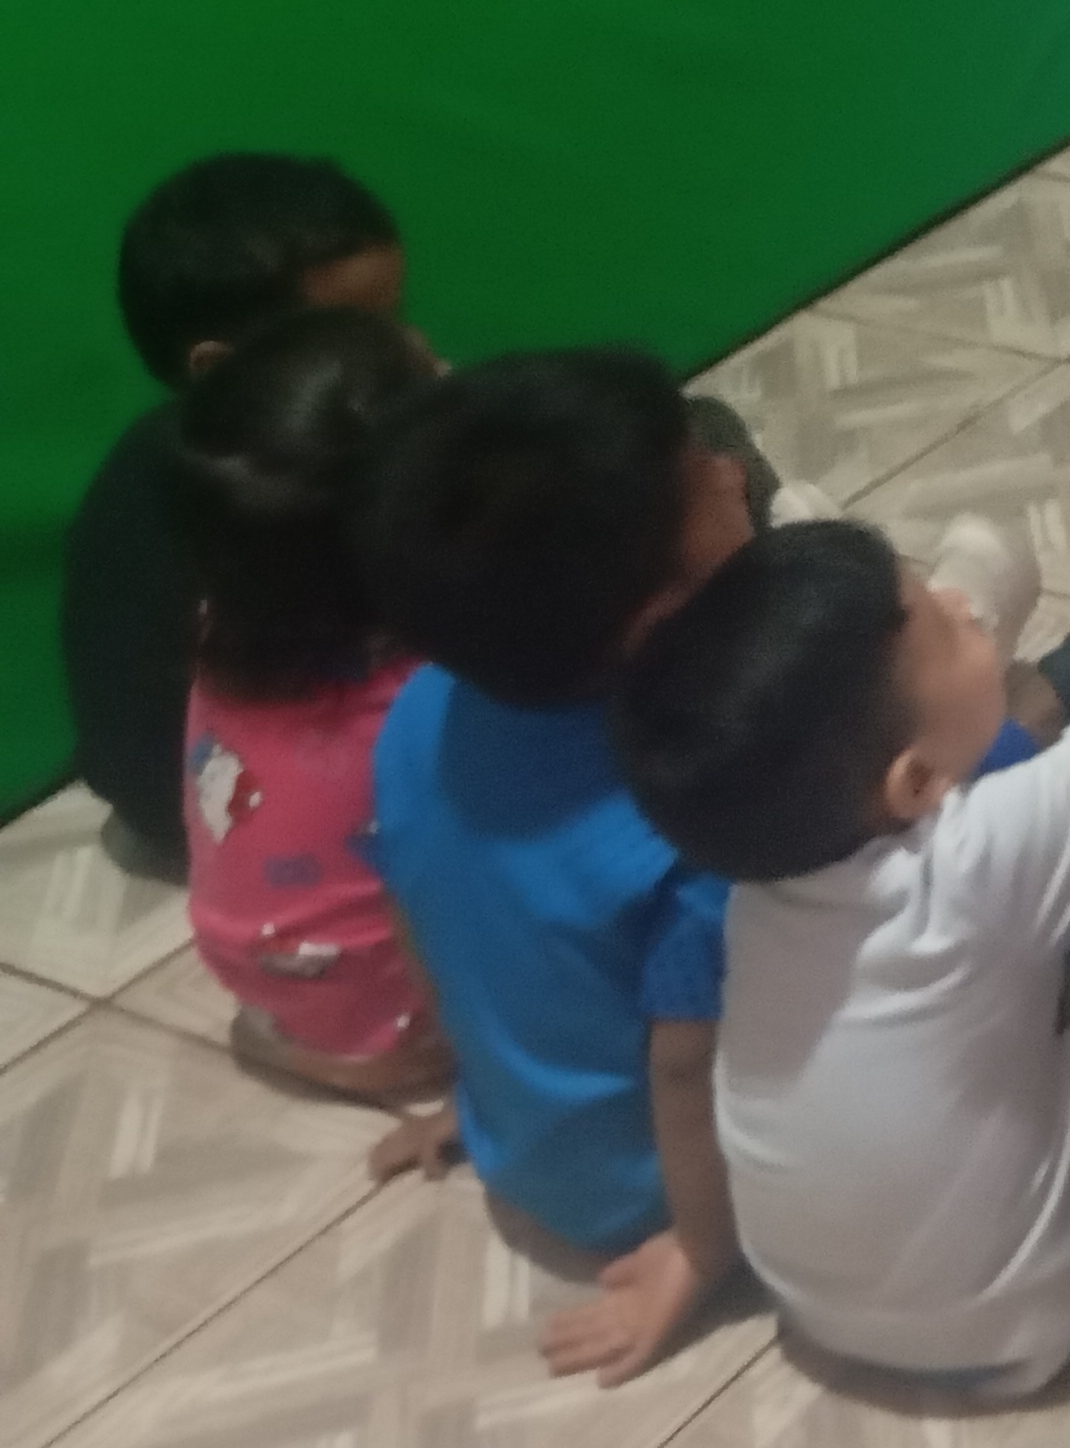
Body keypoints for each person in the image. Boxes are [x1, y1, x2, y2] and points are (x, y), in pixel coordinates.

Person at [610, 287, 1070, 1398]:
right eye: (942, 625)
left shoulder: (750, 887)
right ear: (915, 782)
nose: (965, 605)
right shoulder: (981, 853)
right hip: (1041, 1307)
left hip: (816, 1307)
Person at [354, 347, 764, 1385]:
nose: (731, 470)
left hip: (519, 1143)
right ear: (658, 619)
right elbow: (686, 1063)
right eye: (703, 474)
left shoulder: (420, 715)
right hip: (657, 1194)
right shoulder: (700, 799)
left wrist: (476, 1089)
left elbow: (422, 914)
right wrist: (703, 1248)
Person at [61, 153, 406, 876]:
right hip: (203, 802)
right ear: (220, 368)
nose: (402, 351)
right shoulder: (279, 492)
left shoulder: (168, 445)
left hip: (164, 781)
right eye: (357, 338)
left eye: (394, 319)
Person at [165, 305, 452, 1105]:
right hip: (397, 996)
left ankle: (319, 1039)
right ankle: (384, 1054)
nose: (453, 370)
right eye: (434, 376)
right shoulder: (434, 680)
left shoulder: (228, 617)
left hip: (250, 958)